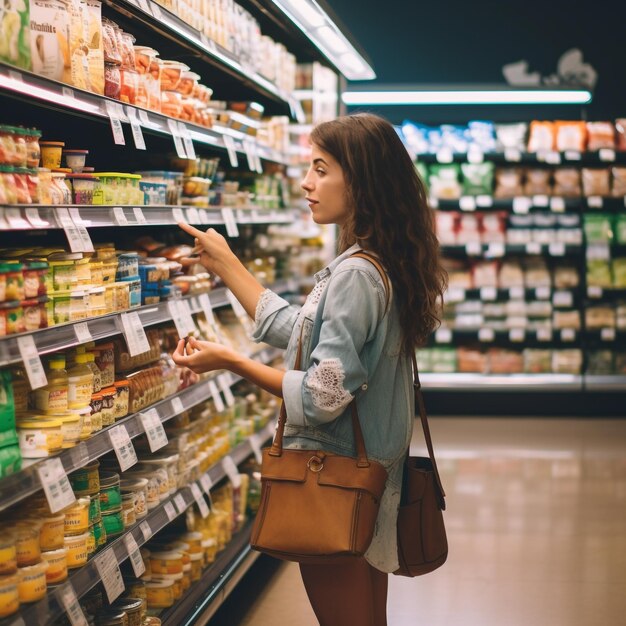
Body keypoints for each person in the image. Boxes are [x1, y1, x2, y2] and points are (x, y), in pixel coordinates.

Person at [171, 112, 447, 626]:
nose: (306, 183)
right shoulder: (379, 262)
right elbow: (302, 330)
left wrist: (230, 360)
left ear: (360, 181)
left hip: (335, 483)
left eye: (321, 169)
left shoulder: (355, 276)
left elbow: (322, 396)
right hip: (370, 481)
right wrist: (227, 264)